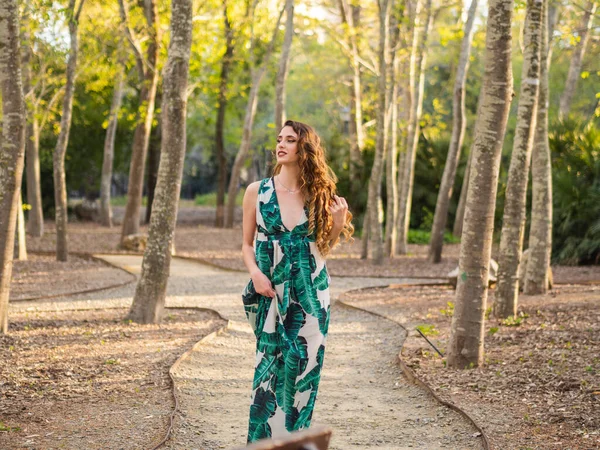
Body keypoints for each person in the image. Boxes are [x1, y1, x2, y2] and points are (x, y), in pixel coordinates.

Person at [241, 120, 354, 443]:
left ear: (304, 148)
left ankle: (296, 444)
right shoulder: (257, 191)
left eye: (289, 140)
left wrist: (336, 223)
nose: (281, 144)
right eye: (279, 139)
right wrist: (256, 273)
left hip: (310, 297)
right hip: (269, 291)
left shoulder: (318, 193)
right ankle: (262, 445)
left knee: (304, 372)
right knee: (269, 372)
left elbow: (322, 250)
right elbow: (246, 245)